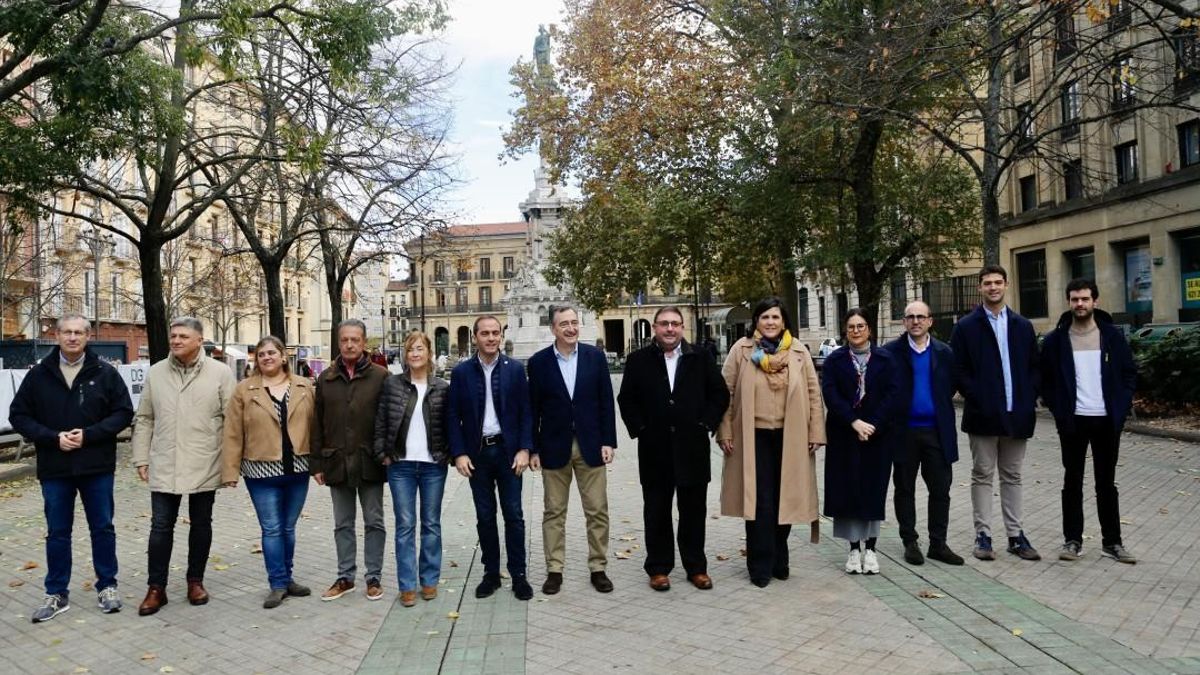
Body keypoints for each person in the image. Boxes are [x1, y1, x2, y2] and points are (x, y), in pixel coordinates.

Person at [10, 314, 134, 622]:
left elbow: (123, 412)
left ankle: (107, 587)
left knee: (102, 528)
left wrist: (89, 435)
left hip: (96, 467)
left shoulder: (105, 372)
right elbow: (19, 416)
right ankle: (56, 593)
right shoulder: (39, 375)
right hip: (55, 467)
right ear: (56, 334)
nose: (73, 337)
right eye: (67, 332)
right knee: (57, 532)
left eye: (79, 332)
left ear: (88, 337)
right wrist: (52, 438)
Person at [132, 317, 237, 616]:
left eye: (183, 336)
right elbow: (145, 419)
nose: (176, 340)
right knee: (160, 527)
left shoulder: (220, 373)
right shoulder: (156, 373)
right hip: (165, 461)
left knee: (201, 525)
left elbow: (232, 422)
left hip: (205, 459)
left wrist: (231, 466)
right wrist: (141, 457)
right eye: (173, 335)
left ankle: (195, 581)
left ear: (199, 340)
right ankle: (156, 588)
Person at [620, 306, 728, 592]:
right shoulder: (637, 360)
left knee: (693, 510)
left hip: (691, 447)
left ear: (682, 328)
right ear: (655, 327)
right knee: (656, 510)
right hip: (654, 449)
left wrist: (706, 423)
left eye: (675, 324)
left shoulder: (701, 357)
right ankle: (658, 567)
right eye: (664, 324)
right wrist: (641, 429)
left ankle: (696, 567)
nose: (670, 329)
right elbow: (626, 399)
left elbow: (719, 393)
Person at [718, 298, 825, 588]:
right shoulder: (741, 351)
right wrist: (725, 430)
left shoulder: (798, 351)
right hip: (752, 437)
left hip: (792, 437)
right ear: (756, 321)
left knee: (785, 498)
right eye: (764, 317)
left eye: (775, 317)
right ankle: (759, 564)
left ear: (783, 321)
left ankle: (780, 557)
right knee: (760, 501)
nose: (770, 322)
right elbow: (723, 393)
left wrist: (816, 431)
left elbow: (814, 394)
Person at [1041, 279, 1138, 564]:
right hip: (1073, 422)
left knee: (1106, 483)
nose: (1079, 304)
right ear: (1069, 302)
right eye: (1074, 299)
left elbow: (1129, 373)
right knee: (1072, 481)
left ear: (1095, 301)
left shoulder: (1111, 336)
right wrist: (1059, 409)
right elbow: (1046, 380)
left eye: (1084, 299)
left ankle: (1113, 543)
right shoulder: (1056, 340)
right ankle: (1072, 541)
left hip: (1106, 422)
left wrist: (1120, 407)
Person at [950, 265, 1041, 561]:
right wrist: (976, 396)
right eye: (987, 283)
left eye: (998, 282)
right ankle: (983, 535)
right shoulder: (966, 326)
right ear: (980, 288)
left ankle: (1016, 535)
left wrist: (1028, 398)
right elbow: (958, 370)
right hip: (983, 414)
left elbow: (1033, 368)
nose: (993, 287)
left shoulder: (1022, 325)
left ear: (1006, 285)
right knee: (982, 474)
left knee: (1012, 475)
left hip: (1017, 413)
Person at [220, 336, 316, 609]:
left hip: (297, 468)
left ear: (283, 356)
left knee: (288, 527)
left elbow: (316, 426)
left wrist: (320, 465)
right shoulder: (244, 390)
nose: (266, 357)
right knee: (272, 528)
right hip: (260, 471)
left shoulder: (304, 386)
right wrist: (230, 470)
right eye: (261, 354)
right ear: (256, 359)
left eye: (272, 352)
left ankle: (288, 578)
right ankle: (277, 584)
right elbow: (233, 431)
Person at [529, 305, 617, 595]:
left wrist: (609, 441)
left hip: (591, 446)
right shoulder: (539, 362)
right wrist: (533, 448)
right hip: (553, 447)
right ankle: (555, 570)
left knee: (597, 511)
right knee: (554, 512)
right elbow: (533, 409)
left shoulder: (595, 358)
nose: (571, 328)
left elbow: (606, 401)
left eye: (574, 323)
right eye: (564, 324)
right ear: (553, 328)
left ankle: (598, 567)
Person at [447, 316, 535, 601]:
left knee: (514, 515)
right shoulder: (461, 373)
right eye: (485, 333)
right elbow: (452, 417)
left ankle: (519, 575)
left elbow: (526, 411)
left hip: (509, 453)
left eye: (495, 333)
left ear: (501, 335)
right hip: (478, 455)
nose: (491, 338)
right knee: (485, 516)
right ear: (475, 337)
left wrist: (525, 448)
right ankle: (491, 574)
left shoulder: (514, 370)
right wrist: (459, 453)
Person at [309, 319, 390, 601]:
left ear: (364, 341)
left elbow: (388, 420)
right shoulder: (326, 378)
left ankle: (374, 576)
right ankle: (345, 577)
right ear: (338, 342)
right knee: (343, 523)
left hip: (370, 461)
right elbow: (317, 423)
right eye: (344, 340)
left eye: (355, 339)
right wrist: (316, 464)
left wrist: (386, 453)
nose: (350, 344)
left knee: (374, 521)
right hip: (336, 462)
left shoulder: (380, 376)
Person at [883, 301, 965, 566]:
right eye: (910, 317)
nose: (916, 321)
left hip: (936, 432)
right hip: (903, 432)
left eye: (921, 317)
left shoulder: (945, 352)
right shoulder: (890, 353)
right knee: (904, 488)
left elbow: (951, 386)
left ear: (930, 321)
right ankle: (910, 541)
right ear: (904, 322)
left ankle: (938, 543)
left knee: (941, 489)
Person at [373, 331, 451, 607]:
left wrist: (448, 454)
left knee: (431, 524)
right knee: (405, 525)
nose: (415, 354)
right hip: (401, 466)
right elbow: (381, 420)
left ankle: (429, 581)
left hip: (433, 465)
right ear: (405, 356)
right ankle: (407, 585)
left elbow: (450, 425)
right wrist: (383, 453)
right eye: (410, 350)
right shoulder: (393, 385)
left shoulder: (441, 387)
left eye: (419, 349)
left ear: (428, 353)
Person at [822, 309, 900, 575]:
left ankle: (872, 549)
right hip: (845, 434)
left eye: (861, 325)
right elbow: (830, 394)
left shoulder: (886, 359)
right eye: (851, 326)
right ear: (845, 330)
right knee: (849, 490)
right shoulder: (834, 361)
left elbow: (893, 395)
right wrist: (853, 422)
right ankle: (854, 548)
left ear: (870, 329)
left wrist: (873, 424)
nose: (856, 331)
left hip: (877, 436)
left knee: (873, 490)